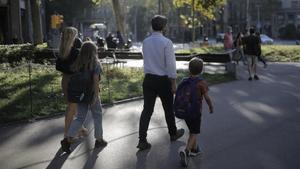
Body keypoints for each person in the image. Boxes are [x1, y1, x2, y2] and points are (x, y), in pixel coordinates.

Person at [137, 15, 185, 151]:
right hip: (163, 80)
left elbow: (146, 59)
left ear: (152, 26)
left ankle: (142, 140)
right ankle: (173, 133)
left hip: (149, 79)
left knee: (147, 110)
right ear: (163, 27)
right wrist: (173, 82)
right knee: (168, 109)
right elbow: (171, 64)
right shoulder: (167, 42)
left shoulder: (145, 42)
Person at [60, 41, 107, 153]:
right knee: (97, 115)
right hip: (91, 94)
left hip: (79, 95)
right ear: (94, 51)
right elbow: (95, 81)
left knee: (80, 117)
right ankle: (99, 140)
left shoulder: (78, 62)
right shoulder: (95, 63)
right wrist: (95, 96)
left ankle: (67, 139)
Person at [178, 57, 213, 167]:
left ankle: (195, 149)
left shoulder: (184, 81)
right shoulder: (201, 83)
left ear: (189, 69)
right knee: (195, 132)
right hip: (196, 112)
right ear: (201, 70)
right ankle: (187, 151)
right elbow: (207, 98)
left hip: (185, 112)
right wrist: (211, 106)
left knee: (192, 130)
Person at [56, 27, 88, 140]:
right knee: (71, 109)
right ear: (73, 37)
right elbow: (80, 68)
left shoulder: (61, 51)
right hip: (74, 81)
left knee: (72, 107)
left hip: (65, 80)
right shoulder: (76, 52)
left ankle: (80, 129)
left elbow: (58, 67)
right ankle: (67, 135)